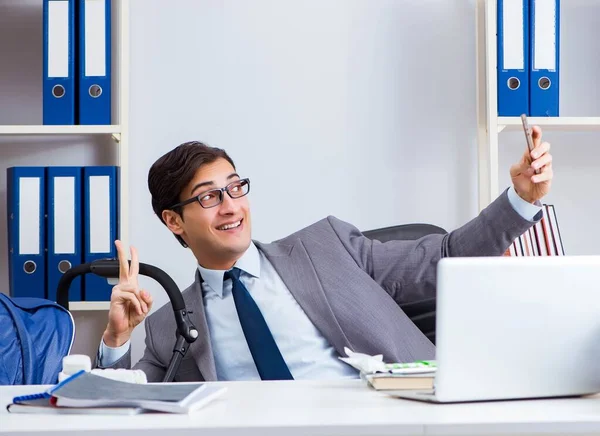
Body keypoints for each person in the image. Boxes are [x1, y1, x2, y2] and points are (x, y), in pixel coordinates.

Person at [96, 126, 553, 382]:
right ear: (174, 221)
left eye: (235, 187)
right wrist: (115, 342)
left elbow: (446, 255)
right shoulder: (167, 329)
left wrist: (520, 200)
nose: (232, 205)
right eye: (209, 197)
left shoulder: (327, 247)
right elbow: (132, 409)